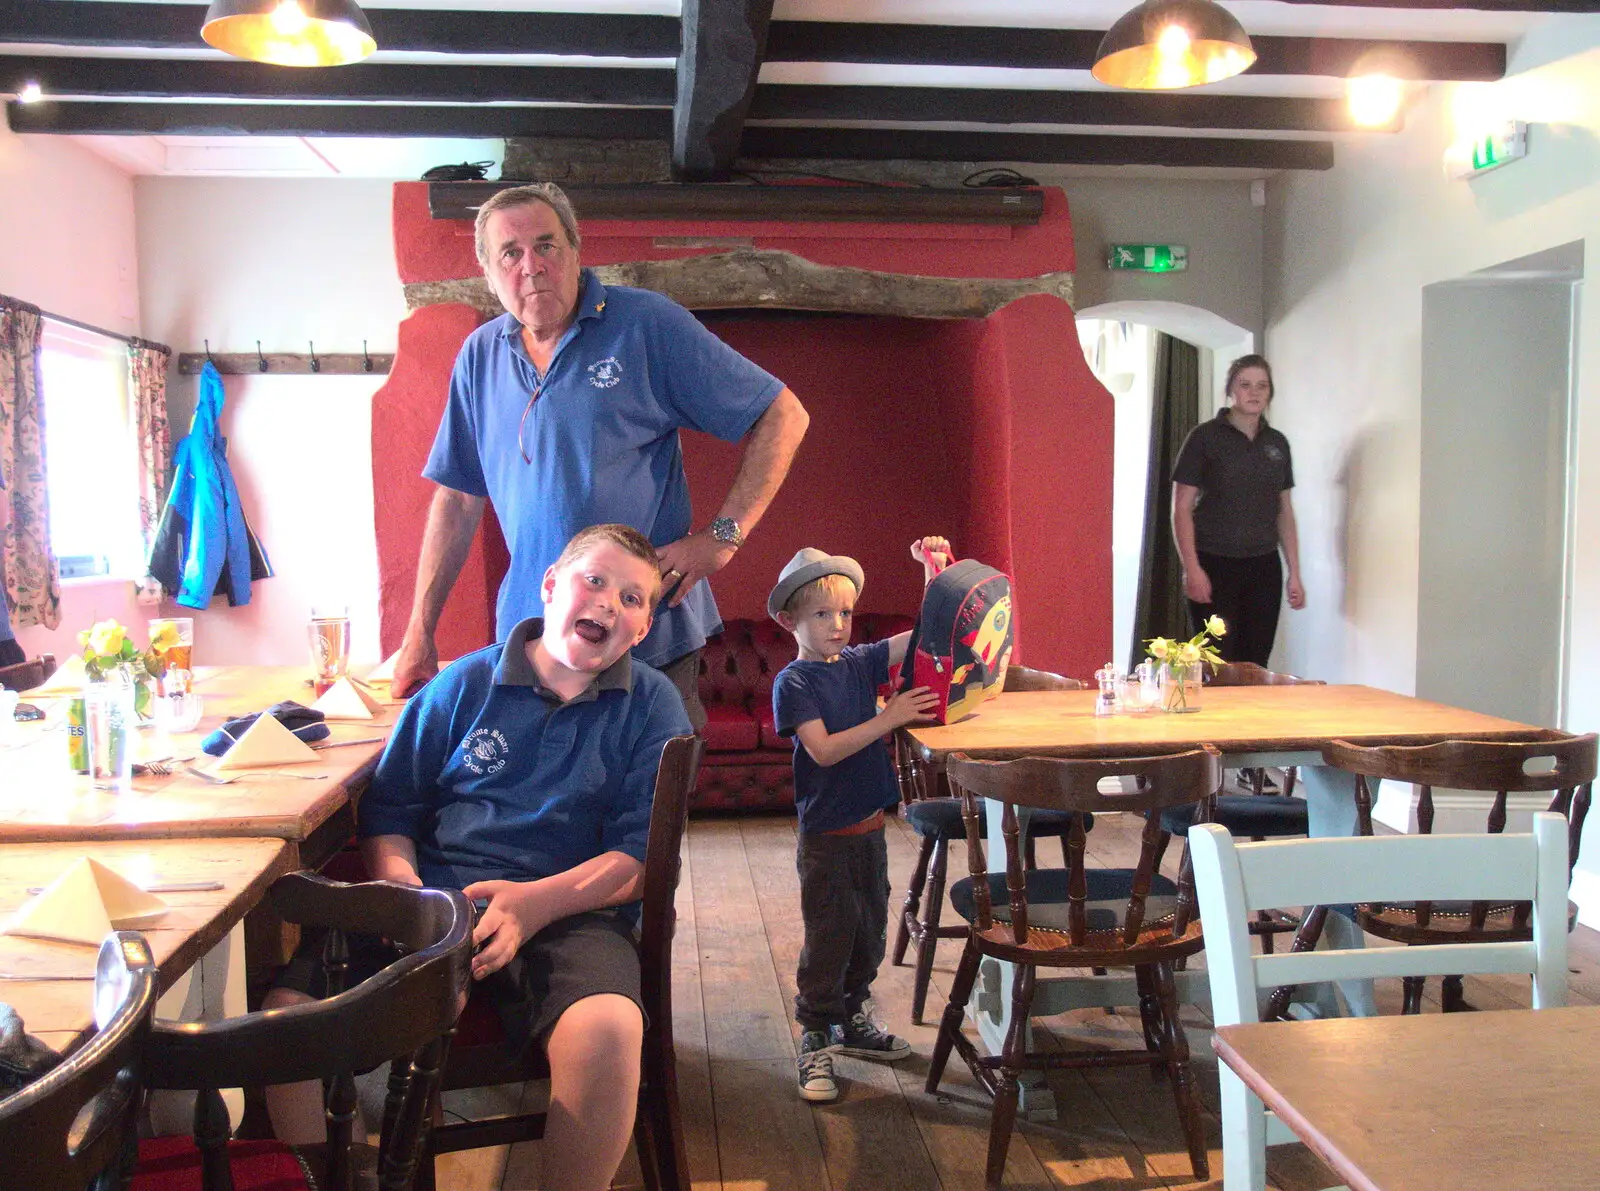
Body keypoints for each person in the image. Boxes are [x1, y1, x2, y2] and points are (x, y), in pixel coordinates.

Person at [263, 523, 692, 1191]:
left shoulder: (652, 706)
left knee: (607, 1028)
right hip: (437, 904)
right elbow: (392, 809)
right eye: (596, 580)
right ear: (550, 587)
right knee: (288, 1012)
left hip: (574, 910)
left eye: (634, 598)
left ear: (642, 629)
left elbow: (639, 857)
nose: (610, 602)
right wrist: (408, 896)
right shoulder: (463, 686)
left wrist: (536, 900)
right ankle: (328, 1173)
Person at [391, 183, 810, 728]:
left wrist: (724, 538)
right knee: (533, 809)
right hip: (531, 644)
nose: (532, 267)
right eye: (510, 254)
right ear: (489, 274)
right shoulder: (479, 356)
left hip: (647, 642)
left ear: (576, 251)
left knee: (646, 810)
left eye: (546, 246)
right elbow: (456, 497)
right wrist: (419, 634)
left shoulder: (645, 324)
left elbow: (783, 414)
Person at [769, 536, 948, 1103]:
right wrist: (889, 717)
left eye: (845, 613)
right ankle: (816, 1035)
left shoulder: (856, 661)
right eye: (823, 614)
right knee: (829, 937)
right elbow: (822, 751)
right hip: (826, 839)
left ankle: (852, 1019)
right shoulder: (794, 683)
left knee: (868, 934)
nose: (838, 624)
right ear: (789, 619)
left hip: (871, 830)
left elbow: (922, 638)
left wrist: (933, 575)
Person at [1171, 354, 1305, 669]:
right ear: (1232, 389)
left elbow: (1284, 511)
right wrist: (1192, 568)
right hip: (1214, 563)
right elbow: (1181, 508)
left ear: (1270, 392)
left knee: (1255, 663)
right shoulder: (1204, 438)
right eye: (1245, 385)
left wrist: (1295, 573)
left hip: (1263, 566)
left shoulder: (1277, 444)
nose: (1254, 392)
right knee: (1216, 663)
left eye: (1262, 386)